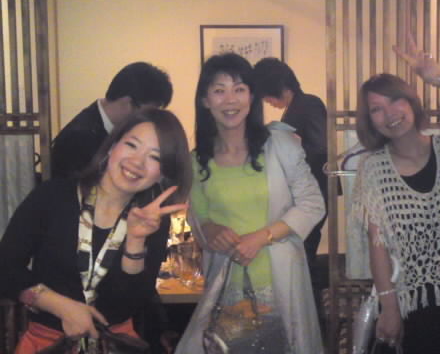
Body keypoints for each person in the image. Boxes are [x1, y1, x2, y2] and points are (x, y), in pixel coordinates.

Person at [0, 107, 192, 353]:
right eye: (131, 145)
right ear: (112, 146)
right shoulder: (53, 196)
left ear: (163, 173)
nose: (137, 162)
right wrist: (61, 306)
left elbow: (129, 304)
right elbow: (5, 268)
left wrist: (135, 240)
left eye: (155, 157)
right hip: (47, 344)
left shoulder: (151, 219)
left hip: (115, 346)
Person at [351, 40, 440, 353]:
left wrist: (439, 77)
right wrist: (389, 307)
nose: (389, 113)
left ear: (411, 102)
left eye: (395, 101)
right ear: (369, 120)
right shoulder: (372, 168)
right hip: (409, 298)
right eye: (376, 109)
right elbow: (378, 245)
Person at [175, 52, 325, 354]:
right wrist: (211, 230)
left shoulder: (280, 145)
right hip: (226, 287)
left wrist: (261, 237)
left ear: (252, 97)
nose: (230, 100)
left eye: (239, 89)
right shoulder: (196, 161)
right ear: (205, 100)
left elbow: (313, 203)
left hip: (279, 284)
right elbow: (199, 220)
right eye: (219, 90)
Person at [253, 57, 328, 266]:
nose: (267, 100)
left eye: (266, 95)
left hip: (314, 188)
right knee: (300, 249)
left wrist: (291, 148)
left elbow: (321, 147)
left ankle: (308, 288)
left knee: (304, 248)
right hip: (304, 188)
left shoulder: (309, 103)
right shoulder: (296, 107)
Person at [51, 61, 173, 179]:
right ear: (128, 103)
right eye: (147, 112)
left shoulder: (109, 126)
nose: (148, 119)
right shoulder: (77, 138)